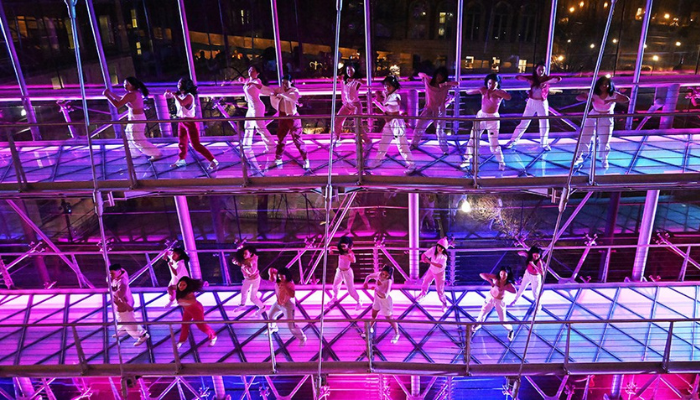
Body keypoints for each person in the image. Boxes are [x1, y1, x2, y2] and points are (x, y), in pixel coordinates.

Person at [574, 76, 630, 169]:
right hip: (593, 115)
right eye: (602, 84)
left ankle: (604, 159)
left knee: (605, 139)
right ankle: (579, 156)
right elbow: (578, 97)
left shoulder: (613, 94)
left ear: (609, 85)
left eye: (606, 84)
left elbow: (626, 99)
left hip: (606, 117)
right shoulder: (594, 93)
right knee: (585, 135)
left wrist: (612, 100)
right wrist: (587, 98)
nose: (604, 86)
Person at [103, 77, 162, 161]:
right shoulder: (133, 93)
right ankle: (134, 153)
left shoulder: (131, 95)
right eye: (124, 84)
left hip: (137, 119)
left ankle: (156, 153)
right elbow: (121, 100)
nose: (125, 86)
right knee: (129, 135)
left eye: (127, 84)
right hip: (135, 118)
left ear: (133, 85)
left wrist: (107, 96)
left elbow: (117, 104)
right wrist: (110, 94)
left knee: (137, 138)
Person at [165, 78, 219, 170]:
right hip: (181, 120)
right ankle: (181, 159)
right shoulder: (180, 94)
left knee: (195, 144)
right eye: (178, 82)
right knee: (182, 141)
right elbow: (167, 97)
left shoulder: (190, 96)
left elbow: (182, 103)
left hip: (190, 121)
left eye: (180, 83)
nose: (178, 84)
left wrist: (175, 96)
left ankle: (213, 160)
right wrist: (168, 94)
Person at [506, 62, 562, 151]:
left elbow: (558, 79)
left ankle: (544, 143)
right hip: (531, 102)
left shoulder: (547, 78)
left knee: (544, 123)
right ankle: (513, 140)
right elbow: (518, 77)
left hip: (542, 102)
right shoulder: (533, 78)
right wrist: (528, 80)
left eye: (543, 70)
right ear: (536, 70)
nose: (541, 71)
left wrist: (545, 82)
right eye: (539, 70)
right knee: (524, 122)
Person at [461, 73, 511, 171]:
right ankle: (467, 159)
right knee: (473, 138)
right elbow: (468, 92)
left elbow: (508, 97)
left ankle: (501, 161)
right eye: (489, 83)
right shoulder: (484, 90)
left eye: (493, 83)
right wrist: (479, 89)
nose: (491, 85)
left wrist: (496, 92)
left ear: (497, 84)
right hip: (481, 116)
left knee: (493, 143)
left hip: (493, 119)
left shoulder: (500, 92)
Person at [367, 75, 416, 174]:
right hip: (389, 122)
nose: (386, 87)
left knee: (402, 145)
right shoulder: (387, 94)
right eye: (385, 85)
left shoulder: (395, 96)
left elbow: (398, 107)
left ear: (394, 86)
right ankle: (378, 160)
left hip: (397, 122)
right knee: (383, 143)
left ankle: (411, 164)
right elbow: (384, 105)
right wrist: (379, 99)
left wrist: (381, 102)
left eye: (389, 85)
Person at [267, 73, 310, 170]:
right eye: (283, 83)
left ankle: (306, 159)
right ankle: (278, 159)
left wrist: (281, 95)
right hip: (282, 116)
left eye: (286, 83)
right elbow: (270, 90)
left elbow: (292, 97)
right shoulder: (280, 90)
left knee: (297, 139)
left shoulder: (294, 91)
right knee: (281, 138)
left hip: (292, 117)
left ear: (291, 82)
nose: (284, 85)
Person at [410, 67, 459, 154]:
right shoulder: (428, 82)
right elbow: (420, 74)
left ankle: (445, 149)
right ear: (436, 74)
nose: (440, 77)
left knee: (440, 131)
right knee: (419, 126)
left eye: (442, 76)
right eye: (439, 75)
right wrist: (428, 77)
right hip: (428, 109)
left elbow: (457, 83)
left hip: (440, 111)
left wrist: (445, 84)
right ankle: (414, 144)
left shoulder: (445, 86)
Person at [109, 264, 149, 346]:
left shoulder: (122, 282)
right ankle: (123, 329)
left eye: (112, 273)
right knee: (120, 317)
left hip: (124, 303)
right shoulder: (120, 273)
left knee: (129, 321)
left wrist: (126, 305)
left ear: (119, 272)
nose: (111, 275)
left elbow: (120, 294)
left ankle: (142, 335)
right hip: (120, 303)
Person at [472, 267, 516, 341]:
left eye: (504, 274)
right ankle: (475, 328)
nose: (502, 276)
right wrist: (490, 282)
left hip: (499, 301)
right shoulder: (495, 278)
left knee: (502, 320)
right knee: (482, 313)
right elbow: (482, 274)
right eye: (501, 274)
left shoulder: (508, 284)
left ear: (507, 275)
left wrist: (505, 288)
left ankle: (510, 330)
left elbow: (514, 291)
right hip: (490, 298)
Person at [239, 65, 275, 152]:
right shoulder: (248, 81)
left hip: (257, 106)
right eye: (249, 70)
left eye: (253, 70)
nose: (250, 71)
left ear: (257, 73)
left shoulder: (257, 81)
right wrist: (242, 81)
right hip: (251, 107)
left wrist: (252, 83)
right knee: (248, 126)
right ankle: (246, 145)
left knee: (260, 127)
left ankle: (271, 146)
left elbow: (260, 86)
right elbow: (246, 84)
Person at [267, 266, 307, 345]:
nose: (280, 278)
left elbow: (292, 294)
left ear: (286, 276)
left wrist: (285, 286)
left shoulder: (290, 284)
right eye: (279, 276)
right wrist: (271, 275)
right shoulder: (278, 278)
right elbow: (271, 269)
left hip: (288, 305)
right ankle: (273, 327)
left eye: (282, 277)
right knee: (270, 315)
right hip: (278, 303)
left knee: (291, 326)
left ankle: (302, 338)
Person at [362, 264, 400, 344]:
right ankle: (369, 329)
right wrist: (366, 282)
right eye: (383, 274)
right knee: (374, 315)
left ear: (389, 275)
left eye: (386, 275)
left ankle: (397, 333)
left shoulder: (389, 281)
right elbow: (368, 276)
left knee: (389, 318)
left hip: (385, 301)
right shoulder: (378, 274)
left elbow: (385, 295)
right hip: (377, 298)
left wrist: (376, 289)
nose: (384, 276)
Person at [175, 276, 217, 348]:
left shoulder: (189, 293)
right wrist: (170, 290)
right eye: (180, 284)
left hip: (196, 309)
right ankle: (182, 340)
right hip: (188, 310)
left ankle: (213, 336)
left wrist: (182, 301)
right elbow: (171, 287)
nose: (181, 287)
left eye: (184, 285)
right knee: (184, 324)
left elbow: (191, 301)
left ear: (187, 286)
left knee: (201, 326)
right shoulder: (178, 288)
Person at [335, 63, 370, 147]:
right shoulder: (344, 80)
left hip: (355, 105)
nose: (349, 72)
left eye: (351, 70)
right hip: (346, 104)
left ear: (354, 70)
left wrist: (356, 80)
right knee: (337, 120)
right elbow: (337, 79)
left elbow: (364, 83)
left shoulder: (356, 81)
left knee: (357, 124)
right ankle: (337, 138)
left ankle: (367, 140)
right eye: (347, 70)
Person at [415, 237, 450, 311]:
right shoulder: (433, 249)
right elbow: (424, 254)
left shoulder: (444, 256)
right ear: (437, 245)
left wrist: (429, 262)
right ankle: (422, 295)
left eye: (443, 248)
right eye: (440, 246)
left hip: (440, 273)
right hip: (431, 270)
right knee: (425, 282)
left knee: (439, 290)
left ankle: (444, 303)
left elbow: (440, 265)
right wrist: (423, 258)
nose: (440, 249)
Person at [330, 236, 362, 310]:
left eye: (344, 246)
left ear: (348, 245)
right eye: (341, 246)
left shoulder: (350, 252)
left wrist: (347, 257)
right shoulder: (340, 250)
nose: (343, 248)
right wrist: (330, 251)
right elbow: (331, 247)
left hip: (347, 272)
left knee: (350, 289)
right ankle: (334, 297)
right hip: (339, 270)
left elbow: (354, 260)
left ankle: (359, 301)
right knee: (335, 285)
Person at [232, 245, 266, 315]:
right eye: (243, 253)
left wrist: (243, 265)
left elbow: (252, 271)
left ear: (250, 254)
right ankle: (242, 305)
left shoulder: (252, 261)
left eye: (245, 253)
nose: (244, 255)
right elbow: (234, 261)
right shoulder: (244, 259)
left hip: (255, 280)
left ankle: (262, 308)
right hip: (247, 279)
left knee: (253, 298)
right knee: (243, 292)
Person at [509, 246, 544, 312]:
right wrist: (525, 253)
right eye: (535, 255)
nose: (536, 257)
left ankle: (539, 306)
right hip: (527, 274)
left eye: (537, 256)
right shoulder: (529, 257)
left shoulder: (539, 262)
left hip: (535, 277)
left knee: (535, 293)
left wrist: (534, 265)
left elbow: (542, 272)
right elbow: (519, 253)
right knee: (522, 288)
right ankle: (515, 300)